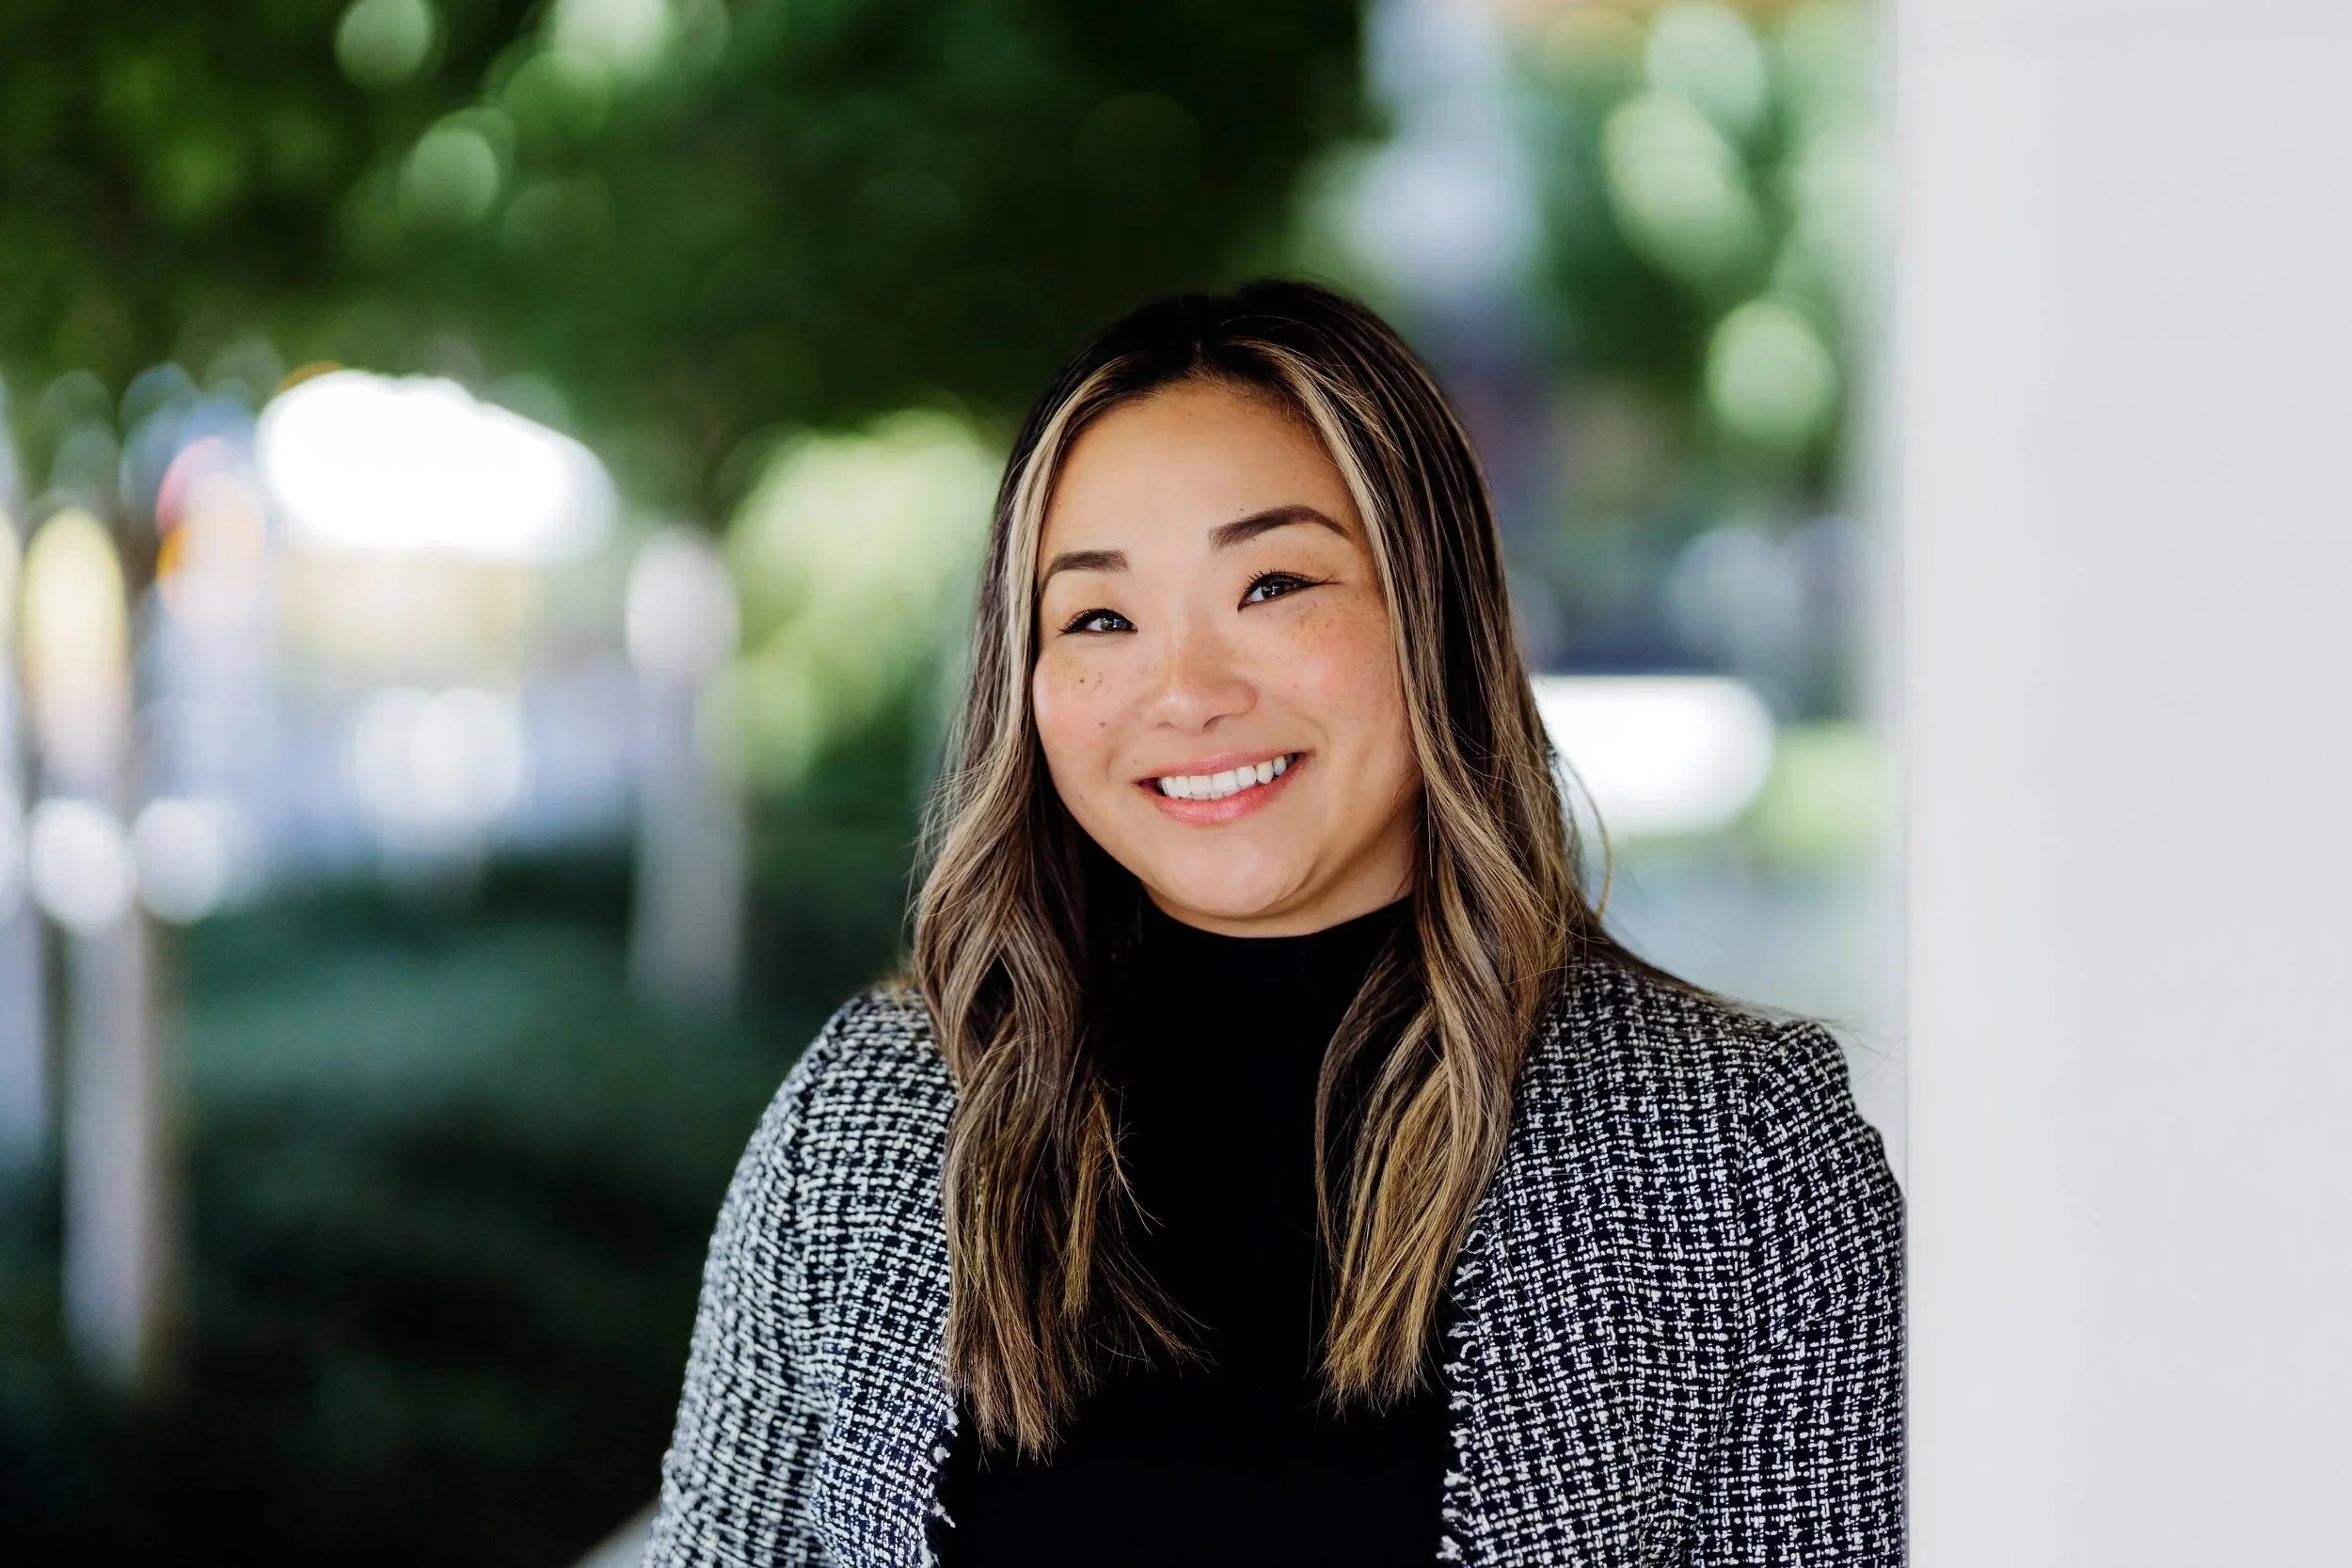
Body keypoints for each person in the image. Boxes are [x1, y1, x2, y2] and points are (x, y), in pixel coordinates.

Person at [642, 281, 1902, 1567]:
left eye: (1273, 584)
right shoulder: (865, 1127)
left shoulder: (1743, 1155)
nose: (1186, 691)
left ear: (1437, 610)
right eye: (1099, 617)